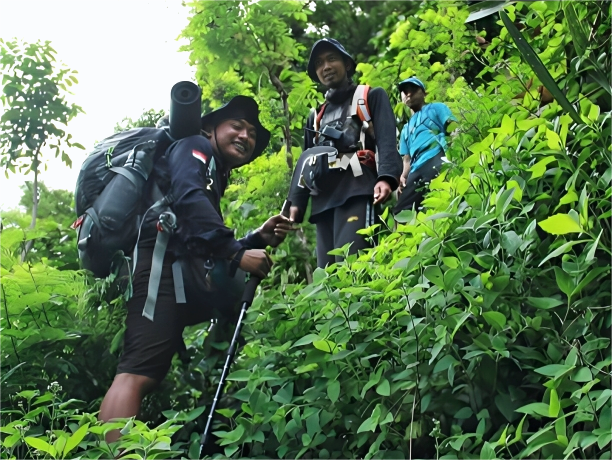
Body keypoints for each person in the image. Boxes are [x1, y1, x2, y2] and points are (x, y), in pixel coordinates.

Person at [99, 95, 292, 442]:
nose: (245, 136)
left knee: (146, 373)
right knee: (136, 372)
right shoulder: (195, 146)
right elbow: (190, 200)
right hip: (158, 268)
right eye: (236, 125)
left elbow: (195, 237)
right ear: (209, 128)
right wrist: (235, 253)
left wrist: (253, 239)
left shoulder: (208, 166)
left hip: (174, 268)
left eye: (251, 131)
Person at [288, 38, 402, 267]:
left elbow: (387, 140)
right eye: (319, 63)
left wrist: (386, 177)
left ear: (347, 64)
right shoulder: (316, 117)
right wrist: (296, 202)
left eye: (332, 59)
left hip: (358, 190)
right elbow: (306, 162)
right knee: (326, 280)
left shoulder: (369, 97)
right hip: (323, 202)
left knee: (354, 267)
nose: (326, 67)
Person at [393, 77, 457, 214]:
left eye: (413, 90)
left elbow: (453, 127)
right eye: (405, 91)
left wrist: (457, 153)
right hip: (416, 169)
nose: (408, 94)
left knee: (437, 198)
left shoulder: (436, 108)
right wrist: (403, 176)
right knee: (400, 210)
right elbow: (407, 159)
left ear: (424, 93)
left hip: (436, 156)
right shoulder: (405, 129)